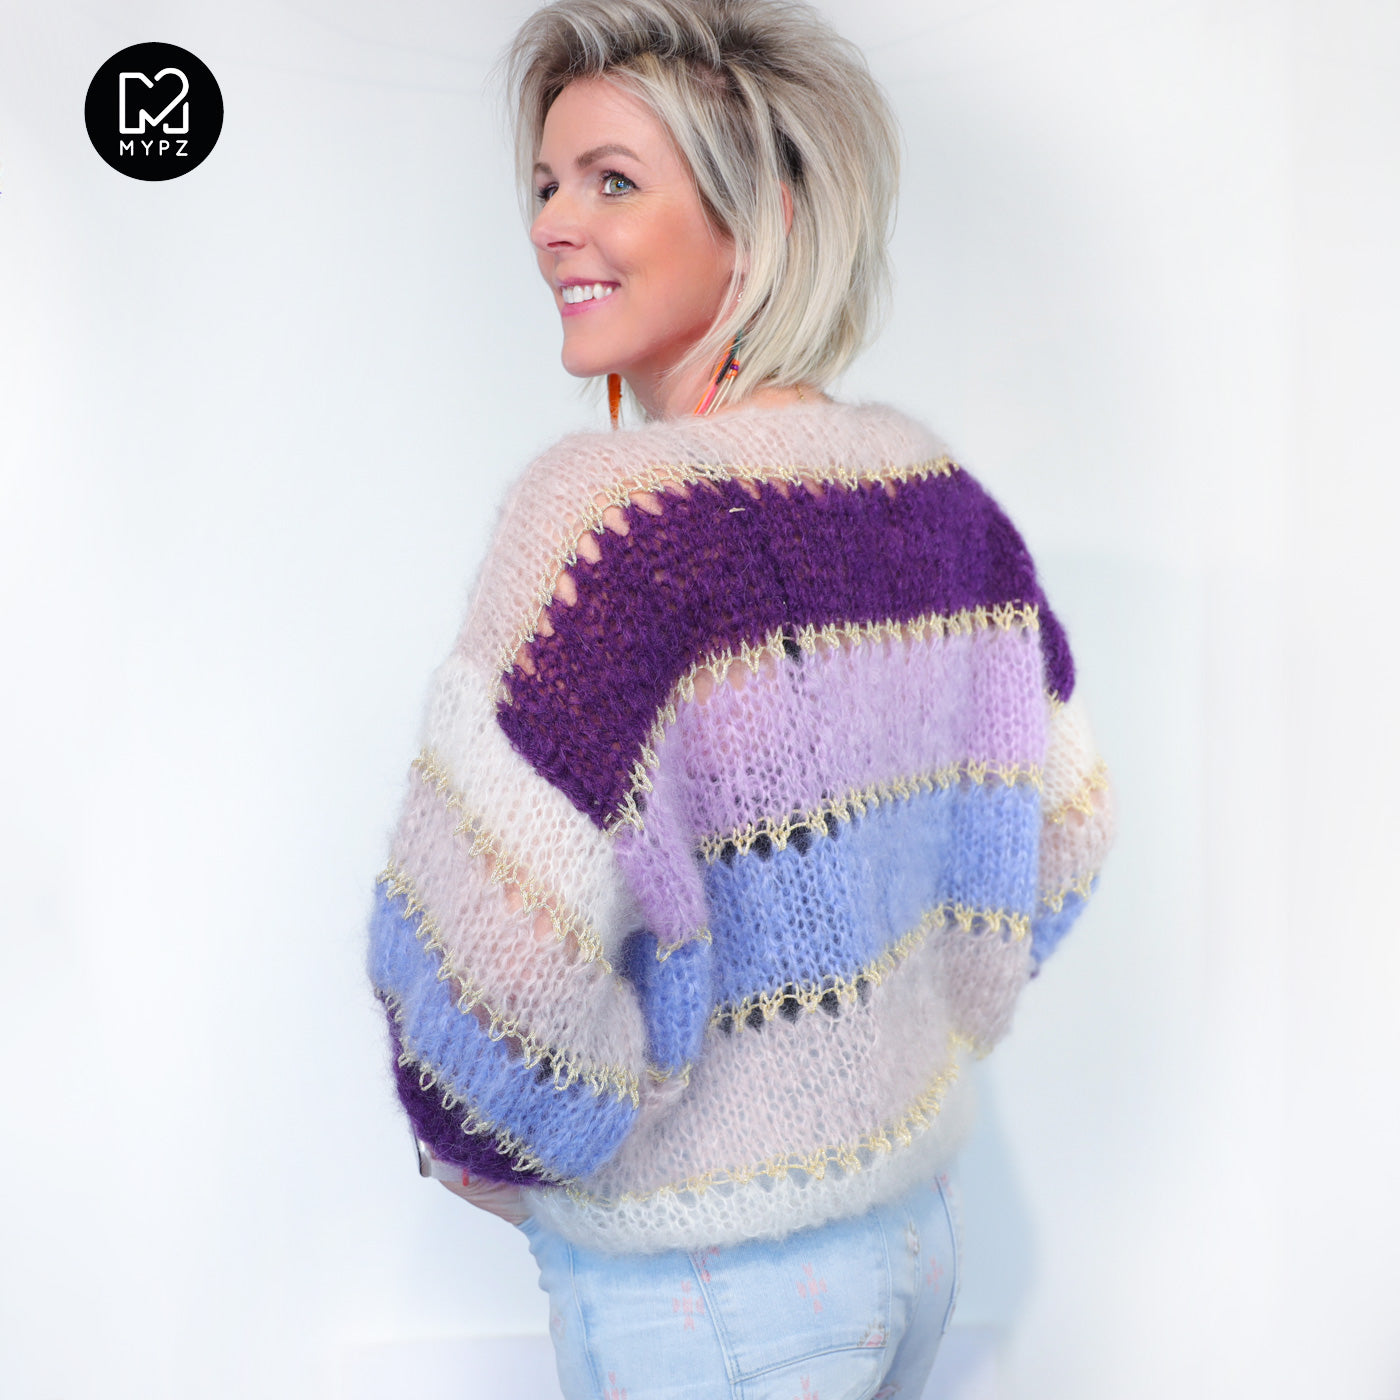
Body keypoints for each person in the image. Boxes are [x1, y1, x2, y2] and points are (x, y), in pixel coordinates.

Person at [365, 1, 1117, 1395]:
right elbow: (1060, 828)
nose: (552, 225)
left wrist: (529, 1144)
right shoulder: (933, 498)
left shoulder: (604, 526)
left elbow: (488, 983)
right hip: (914, 1240)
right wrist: (901, 1029)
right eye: (545, 182)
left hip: (706, 1292)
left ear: (761, 217)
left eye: (612, 181)